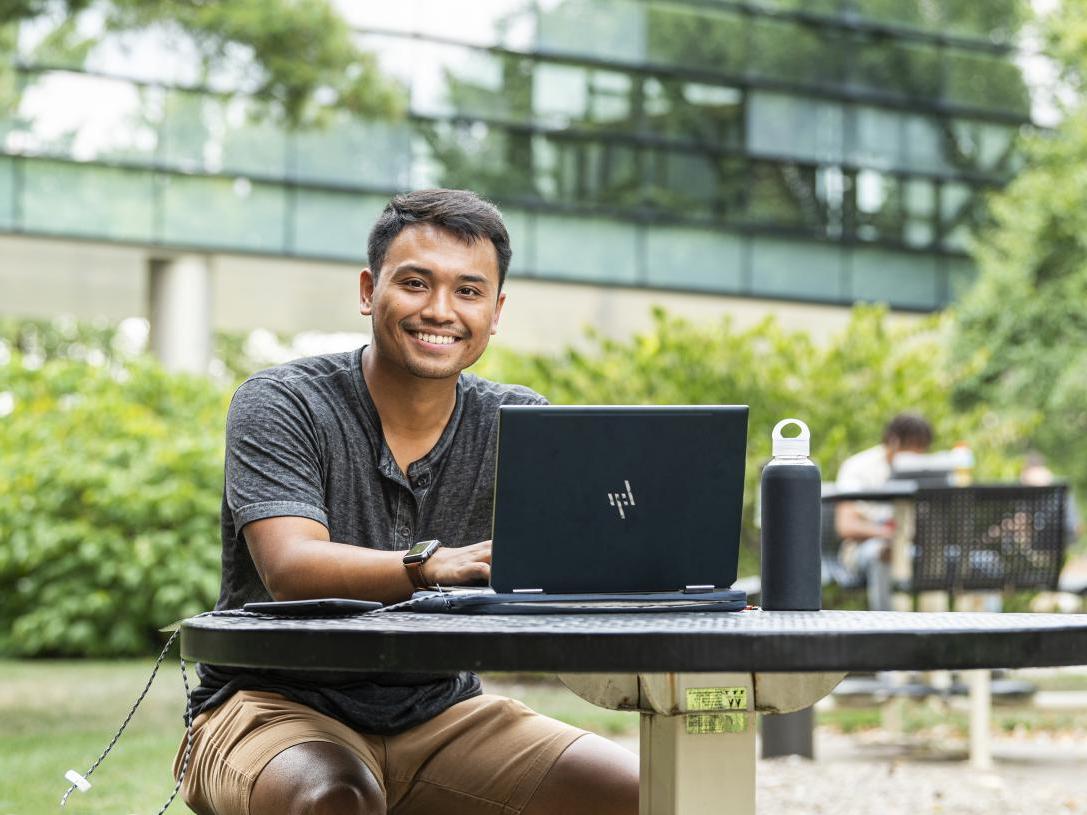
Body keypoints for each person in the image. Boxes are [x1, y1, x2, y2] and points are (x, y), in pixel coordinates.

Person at [173, 189, 639, 815]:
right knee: (334, 796)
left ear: (495, 311)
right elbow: (291, 569)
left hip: (444, 712)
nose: (441, 310)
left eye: (469, 291)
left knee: (646, 792)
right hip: (272, 704)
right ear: (369, 291)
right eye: (416, 284)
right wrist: (428, 565)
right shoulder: (282, 403)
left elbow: (582, 558)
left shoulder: (521, 423)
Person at [833, 413, 933, 611]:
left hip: (913, 547)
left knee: (941, 557)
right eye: (914, 447)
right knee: (883, 552)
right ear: (894, 441)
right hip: (864, 549)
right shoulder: (858, 467)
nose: (918, 456)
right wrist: (889, 535)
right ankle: (889, 628)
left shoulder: (926, 469)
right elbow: (846, 526)